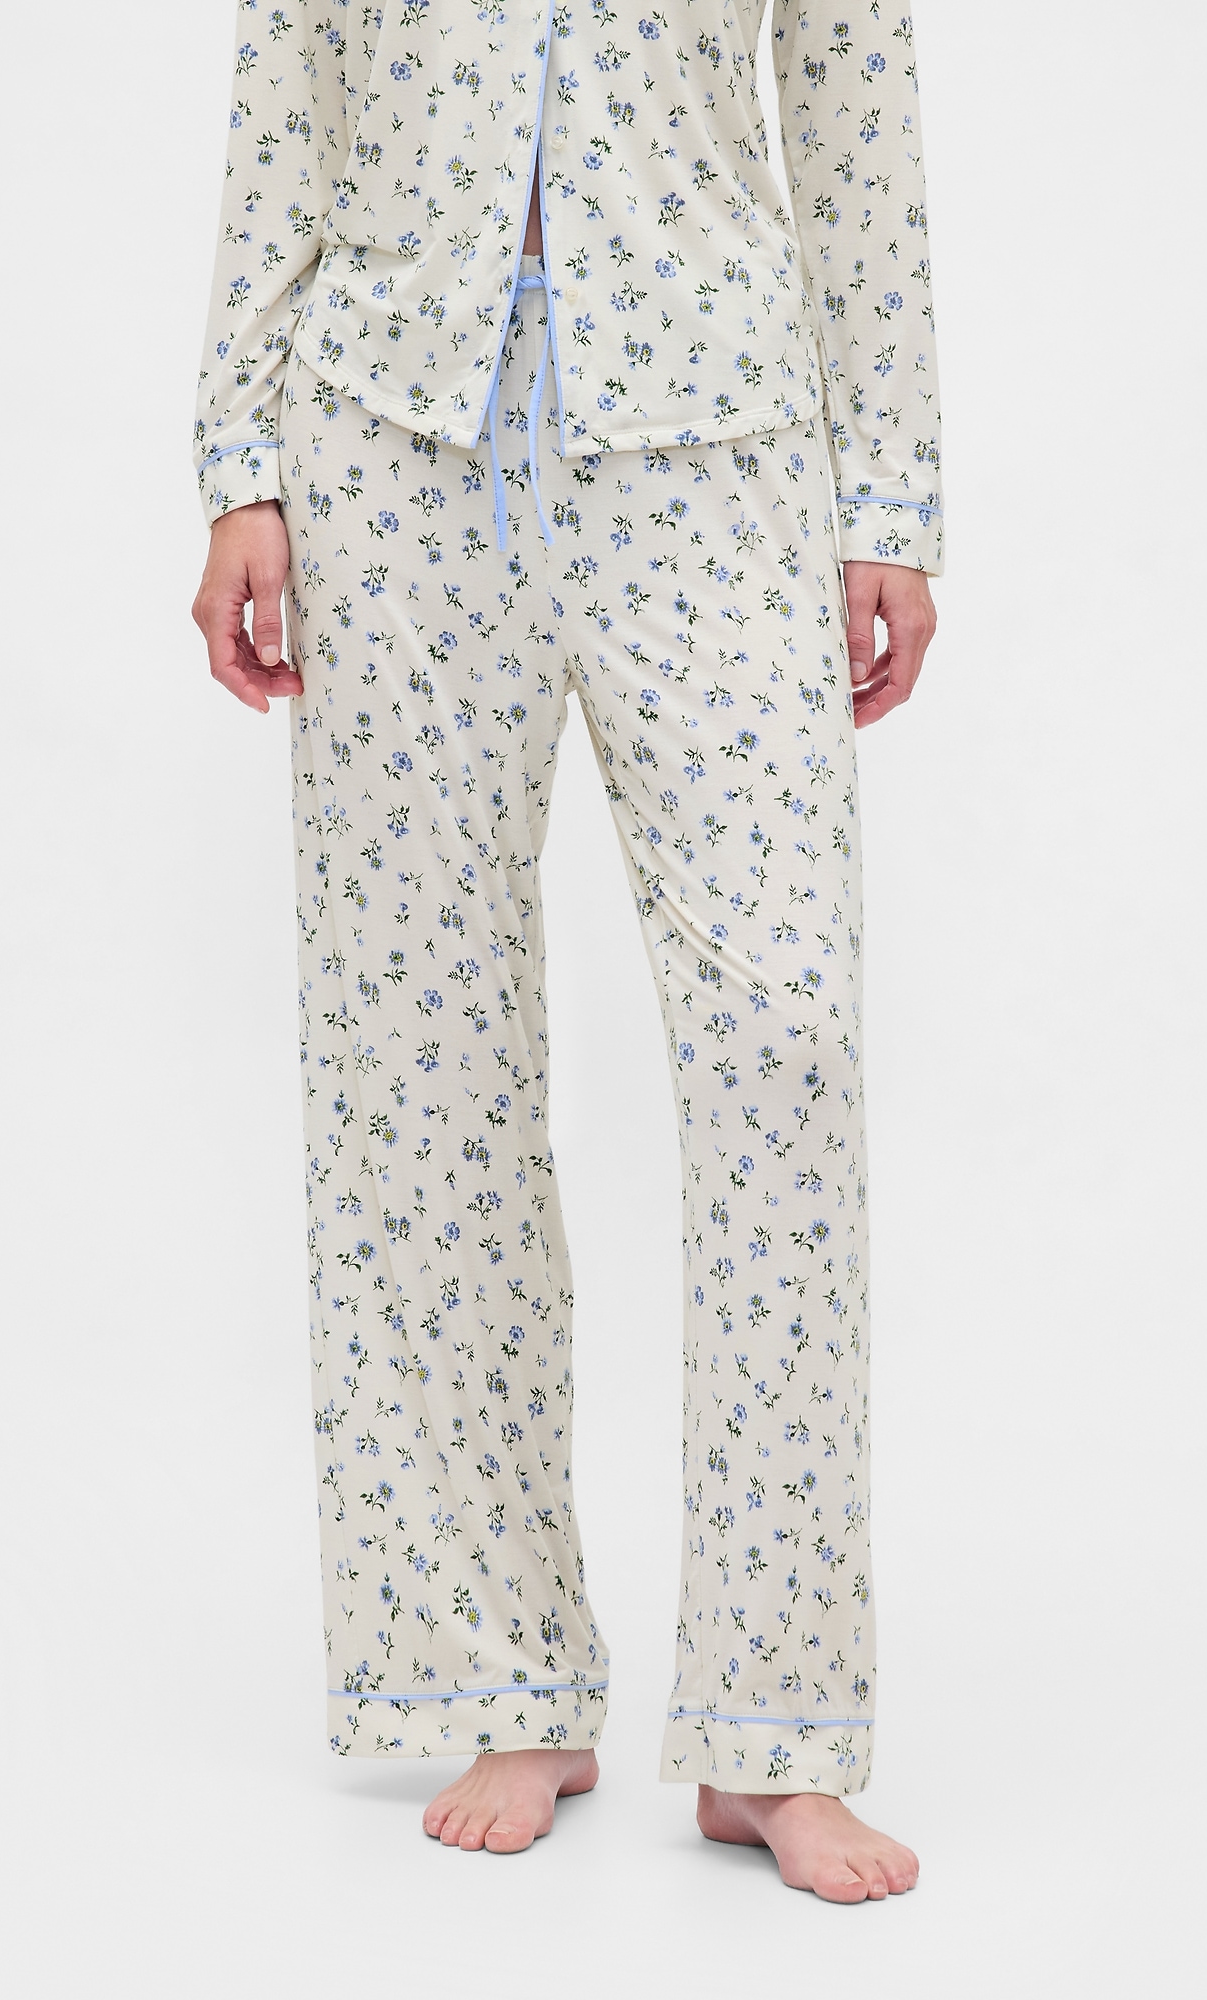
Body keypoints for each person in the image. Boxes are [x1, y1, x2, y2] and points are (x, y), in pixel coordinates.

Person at [191, 0, 941, 1904]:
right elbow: (286, 96)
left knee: (782, 1042)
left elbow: (857, 125)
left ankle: (775, 1728)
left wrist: (893, 497)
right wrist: (240, 467)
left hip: (718, 438)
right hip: (389, 445)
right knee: (420, 1063)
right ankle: (499, 1672)